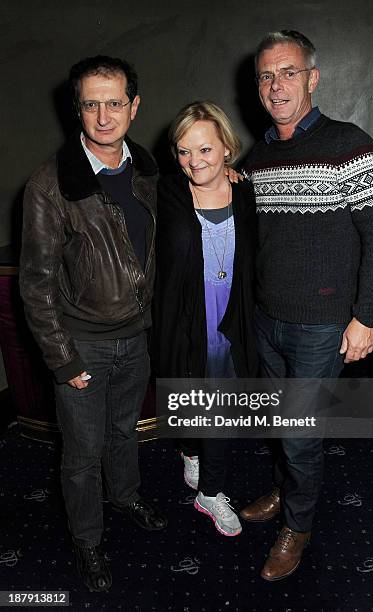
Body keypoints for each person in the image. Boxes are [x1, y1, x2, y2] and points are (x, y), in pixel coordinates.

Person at [240, 31, 373, 581]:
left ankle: (298, 526)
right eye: (265, 75)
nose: (276, 85)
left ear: (312, 78)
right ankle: (286, 492)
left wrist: (366, 317)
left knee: (299, 433)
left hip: (323, 326)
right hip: (267, 320)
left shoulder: (349, 144)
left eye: (287, 72)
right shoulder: (258, 155)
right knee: (279, 423)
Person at [19, 55, 167, 592]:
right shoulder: (49, 183)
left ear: (134, 106)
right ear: (76, 109)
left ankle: (125, 499)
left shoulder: (149, 171)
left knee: (124, 432)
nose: (103, 116)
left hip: (136, 337)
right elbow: (35, 284)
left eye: (114, 103)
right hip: (83, 345)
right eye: (90, 104)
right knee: (82, 455)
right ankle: (87, 539)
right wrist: (63, 359)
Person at [154, 101, 258, 536]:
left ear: (227, 149)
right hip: (186, 318)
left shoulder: (247, 191)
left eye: (205, 150)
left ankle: (209, 493)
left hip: (234, 315)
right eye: (183, 151)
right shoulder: (167, 193)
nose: (194, 162)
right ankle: (192, 451)